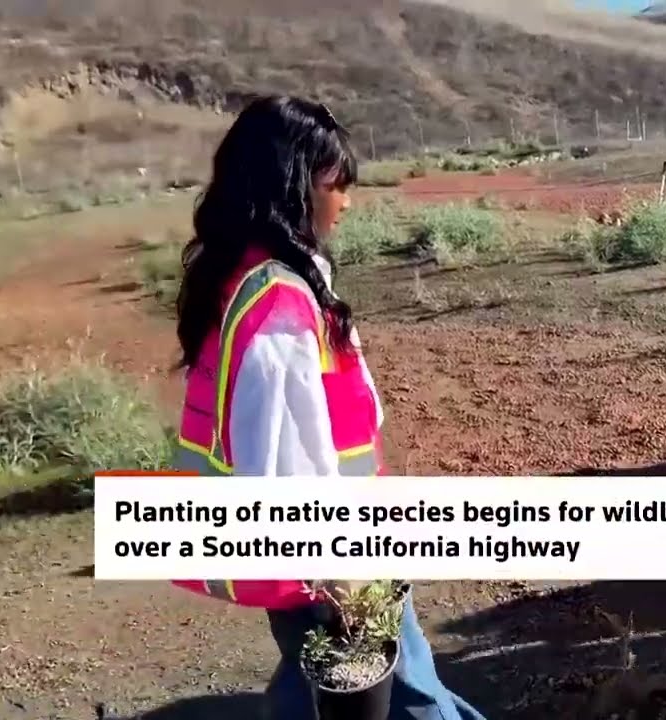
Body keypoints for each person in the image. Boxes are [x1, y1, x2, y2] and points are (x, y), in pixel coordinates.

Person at [168, 95, 487, 720]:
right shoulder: (280, 305)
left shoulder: (251, 275)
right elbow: (285, 461)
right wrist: (338, 571)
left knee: (318, 680)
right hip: (335, 550)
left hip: (317, 548)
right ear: (296, 188)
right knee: (412, 693)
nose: (346, 201)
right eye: (336, 184)